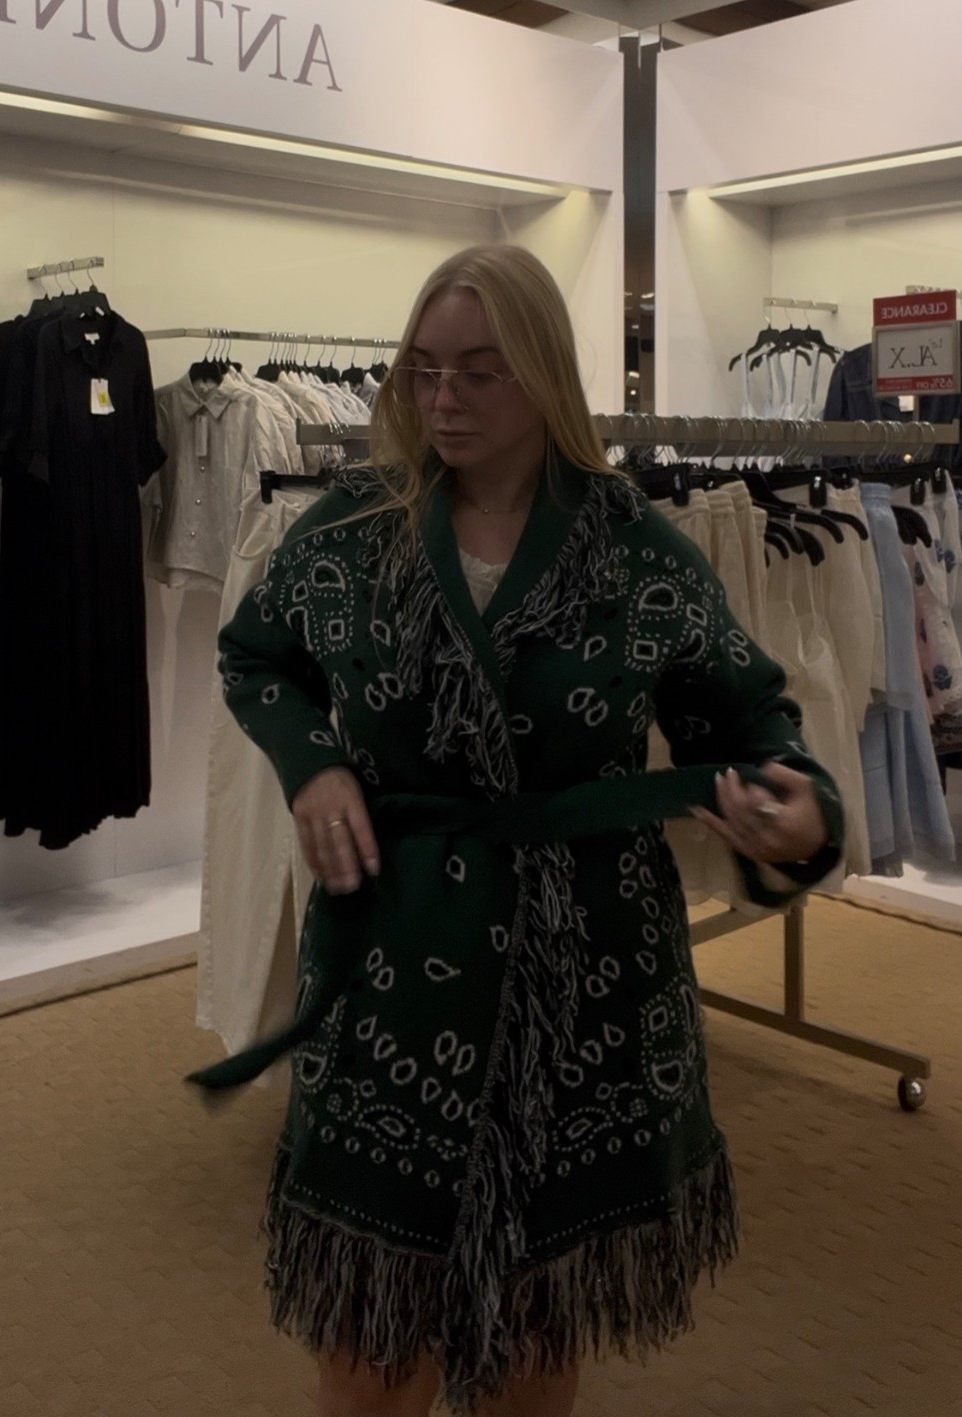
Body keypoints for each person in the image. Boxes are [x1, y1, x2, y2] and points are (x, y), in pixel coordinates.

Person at [208, 245, 844, 1417]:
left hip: (586, 977)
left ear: (546, 373)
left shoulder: (636, 549)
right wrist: (313, 763)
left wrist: (797, 806)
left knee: (534, 1341)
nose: (442, 398)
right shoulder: (352, 528)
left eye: (479, 371)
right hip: (394, 966)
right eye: (422, 368)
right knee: (371, 1345)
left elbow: (755, 720)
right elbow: (256, 657)